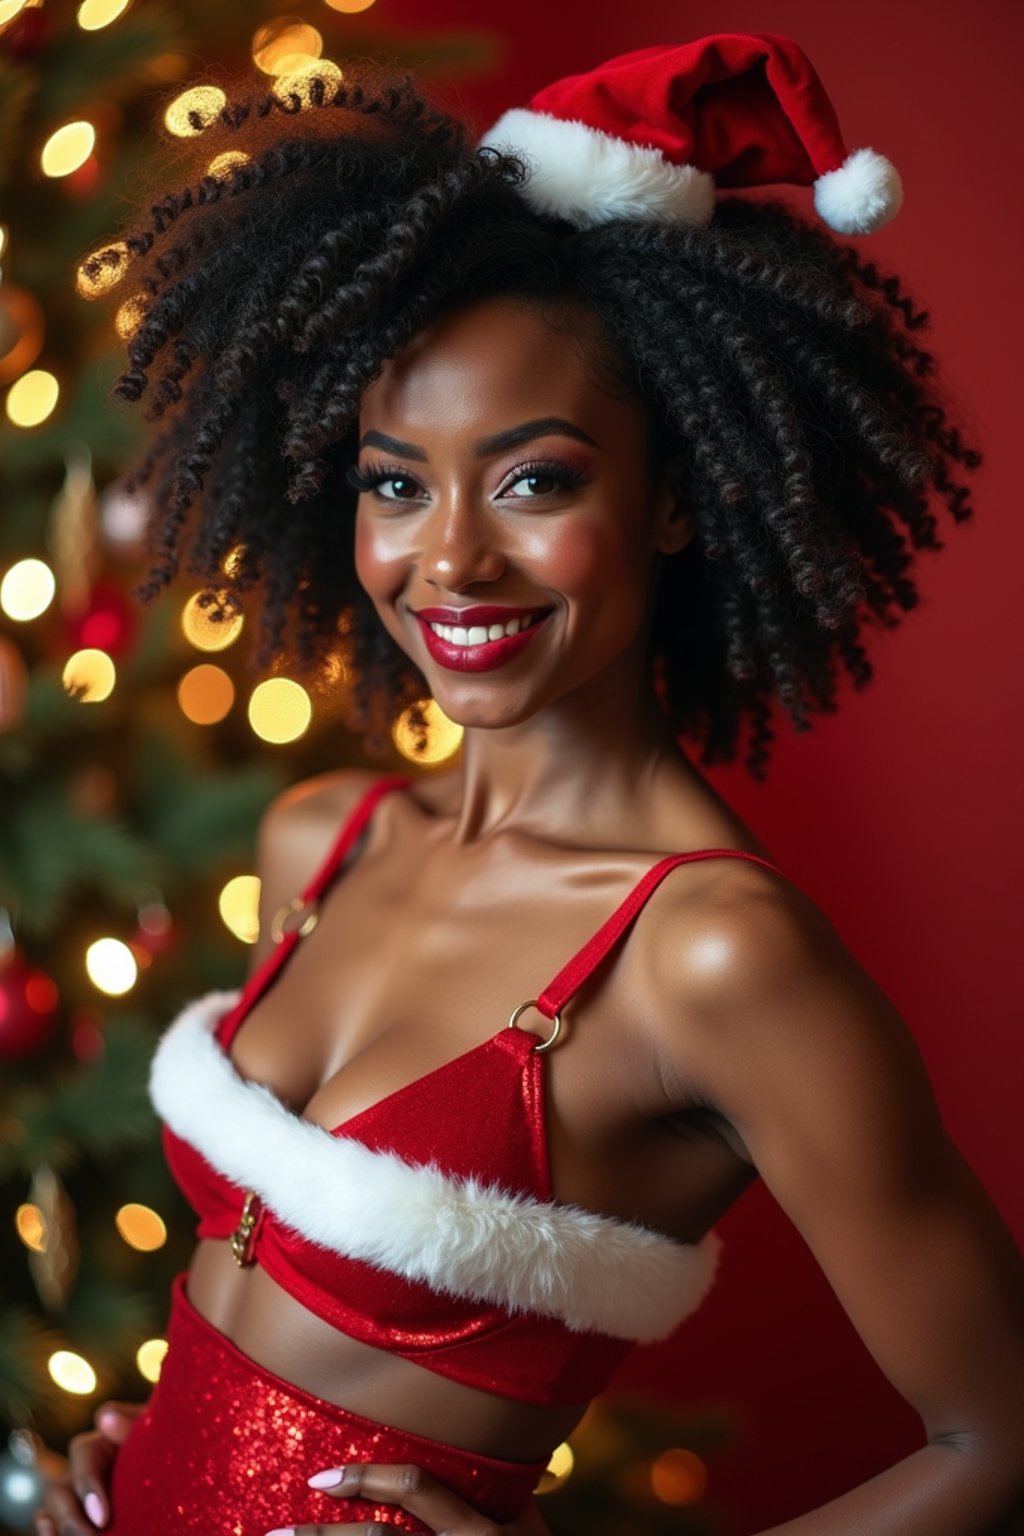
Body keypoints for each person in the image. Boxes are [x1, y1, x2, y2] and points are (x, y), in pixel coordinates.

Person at [37, 30, 1024, 1536]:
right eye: (393, 481)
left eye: (533, 479)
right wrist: (160, 1455)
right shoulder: (326, 839)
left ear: (674, 496)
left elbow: (996, 1437)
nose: (448, 560)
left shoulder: (712, 954)